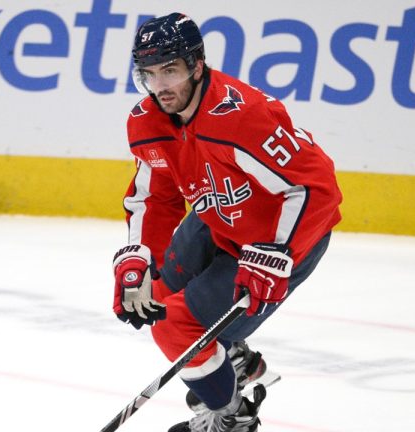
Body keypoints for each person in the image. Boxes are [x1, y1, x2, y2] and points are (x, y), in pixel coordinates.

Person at [111, 12, 342, 432]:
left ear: (197, 65)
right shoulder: (146, 121)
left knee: (175, 327)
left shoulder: (241, 117)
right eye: (149, 73)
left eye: (170, 70)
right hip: (218, 220)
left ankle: (233, 417)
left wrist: (277, 253)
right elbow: (155, 196)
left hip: (279, 240)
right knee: (151, 295)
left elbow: (316, 188)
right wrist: (137, 256)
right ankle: (233, 359)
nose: (160, 86)